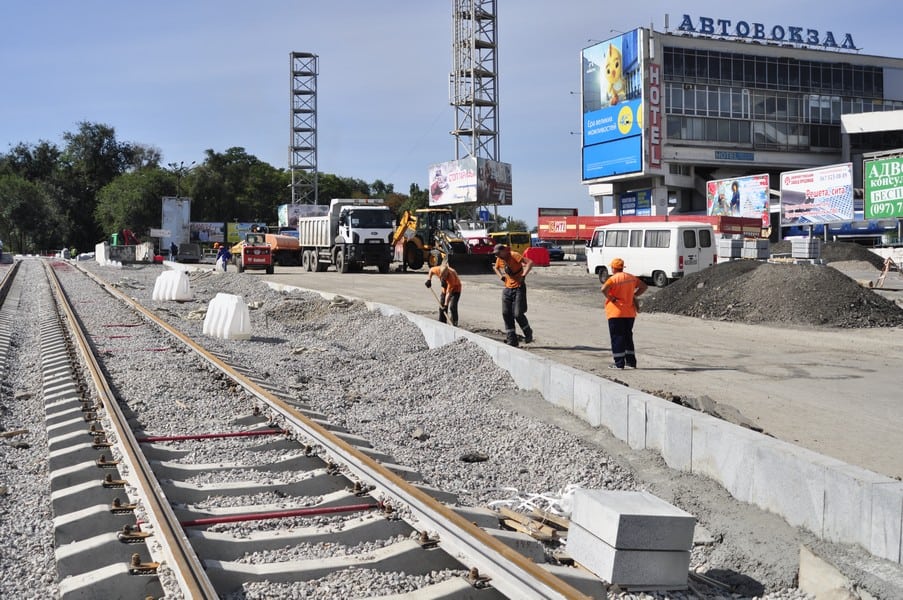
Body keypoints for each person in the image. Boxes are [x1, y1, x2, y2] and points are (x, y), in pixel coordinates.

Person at [601, 257, 647, 369]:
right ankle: (631, 362)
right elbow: (644, 286)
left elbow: (603, 289)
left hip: (616, 312)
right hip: (630, 313)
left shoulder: (613, 279)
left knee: (617, 337)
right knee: (627, 336)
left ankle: (619, 363)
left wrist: (611, 298)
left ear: (613, 268)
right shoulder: (631, 278)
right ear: (622, 267)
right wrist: (634, 295)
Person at [493, 244, 534, 347]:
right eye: (496, 254)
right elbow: (496, 268)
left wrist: (523, 275)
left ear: (504, 251)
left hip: (519, 288)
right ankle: (512, 339)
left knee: (517, 314)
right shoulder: (500, 259)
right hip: (507, 289)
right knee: (506, 313)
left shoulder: (514, 255)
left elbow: (530, 262)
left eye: (499, 253)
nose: (498, 256)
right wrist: (501, 277)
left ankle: (528, 332)